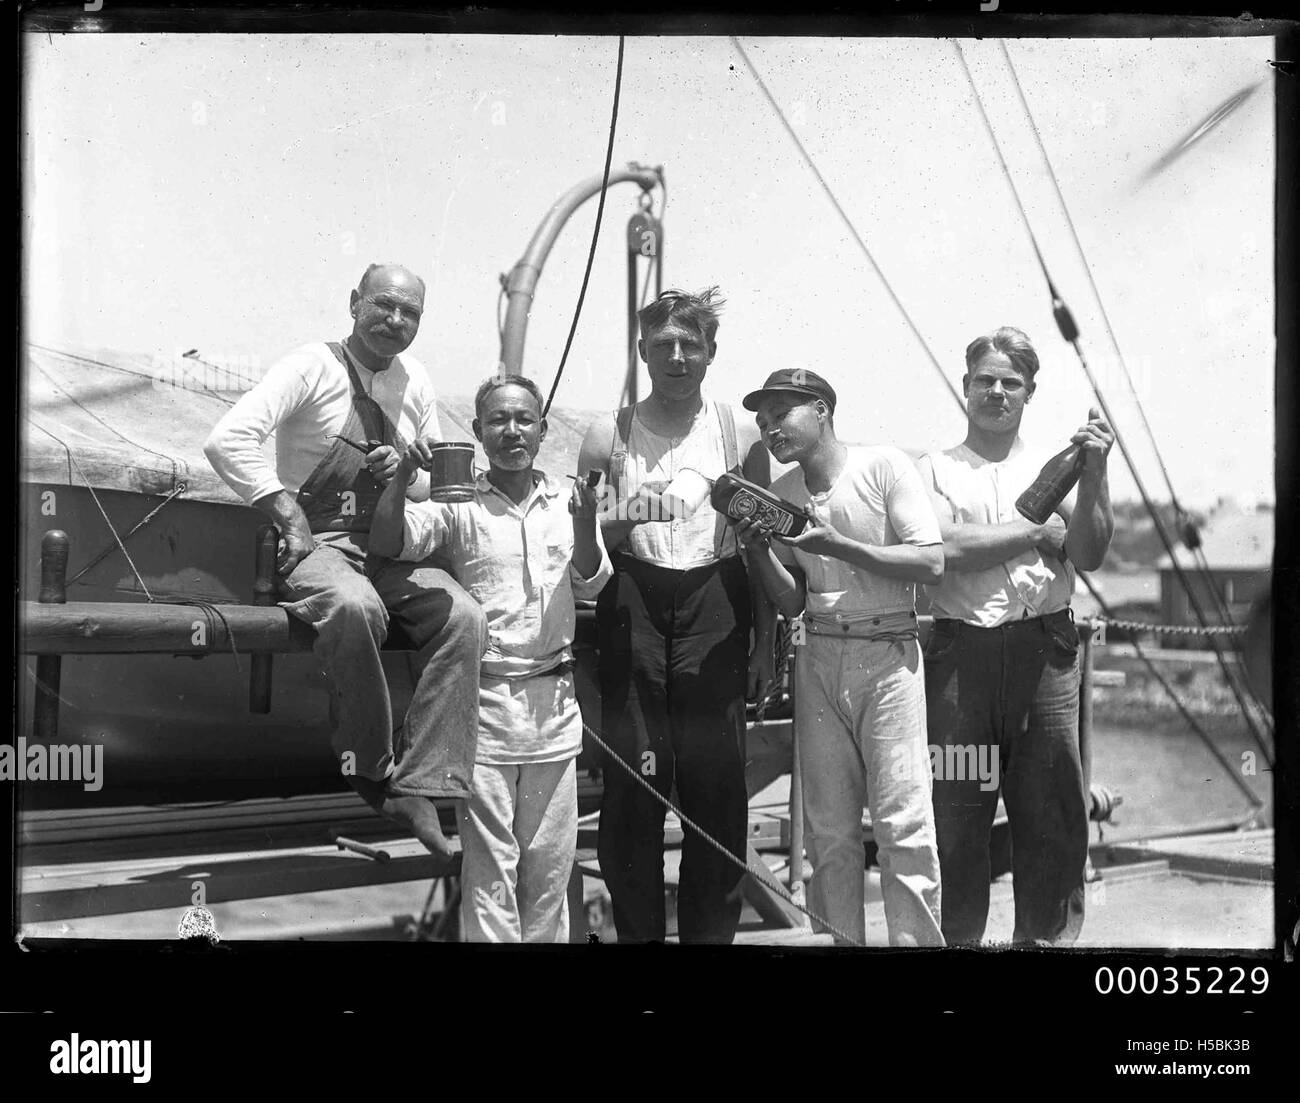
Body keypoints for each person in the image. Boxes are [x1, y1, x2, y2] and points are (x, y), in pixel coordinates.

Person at [204, 263, 487, 858]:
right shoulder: (312, 365)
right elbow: (226, 439)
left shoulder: (417, 379)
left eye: (410, 313)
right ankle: (371, 770)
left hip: (386, 542)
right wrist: (288, 515)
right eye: (383, 305)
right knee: (354, 605)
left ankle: (426, 784)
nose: (395, 321)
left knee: (464, 616)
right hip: (320, 543)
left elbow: (425, 491)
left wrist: (404, 474)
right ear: (354, 302)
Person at [370, 373, 611, 942]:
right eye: (497, 421)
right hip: (484, 713)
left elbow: (593, 583)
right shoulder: (457, 502)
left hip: (554, 713)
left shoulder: (567, 502)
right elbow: (388, 542)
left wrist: (584, 522)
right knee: (491, 875)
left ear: (542, 429)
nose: (511, 431)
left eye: (524, 419)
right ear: (477, 433)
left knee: (550, 870)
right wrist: (405, 473)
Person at [575, 287, 777, 944]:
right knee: (633, 788)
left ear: (712, 352)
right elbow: (587, 539)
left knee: (716, 795)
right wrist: (638, 510)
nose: (678, 355)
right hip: (633, 601)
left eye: (691, 344)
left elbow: (760, 544)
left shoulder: (739, 432)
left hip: (717, 604)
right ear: (643, 351)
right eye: (663, 344)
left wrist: (766, 644)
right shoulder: (609, 432)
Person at [916, 326, 1114, 945]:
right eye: (985, 381)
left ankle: (1046, 944)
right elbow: (946, 550)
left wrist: (1096, 473)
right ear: (965, 386)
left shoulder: (1057, 467)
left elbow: (1088, 550)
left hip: (1045, 656)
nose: (996, 392)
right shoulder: (934, 470)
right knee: (959, 819)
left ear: (1030, 392)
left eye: (1011, 383)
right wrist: (1034, 531)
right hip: (959, 661)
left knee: (1052, 816)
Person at [735, 368, 946, 947]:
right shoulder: (784, 497)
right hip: (820, 656)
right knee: (829, 834)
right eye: (762, 417)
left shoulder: (882, 467)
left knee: (903, 825)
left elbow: (930, 563)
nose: (769, 426)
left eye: (782, 413)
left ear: (822, 410)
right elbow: (794, 600)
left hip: (888, 657)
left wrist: (839, 545)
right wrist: (758, 553)